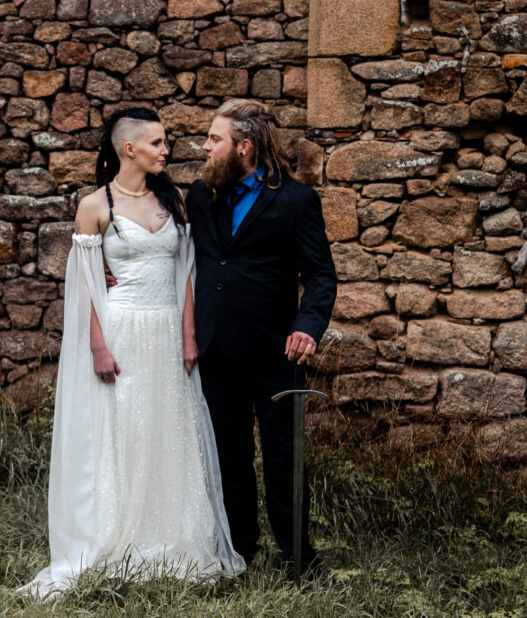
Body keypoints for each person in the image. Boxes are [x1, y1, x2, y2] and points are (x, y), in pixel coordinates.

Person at [23, 108, 244, 597]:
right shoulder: (94, 206)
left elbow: (187, 273)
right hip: (120, 331)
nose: (167, 150)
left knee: (168, 428)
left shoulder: (176, 202)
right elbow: (83, 284)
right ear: (129, 148)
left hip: (166, 330)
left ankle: (172, 539)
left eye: (165, 142)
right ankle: (114, 535)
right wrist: (98, 347)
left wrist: (188, 335)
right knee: (122, 428)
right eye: (158, 143)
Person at [185, 99, 337, 573]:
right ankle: (239, 551)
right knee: (227, 454)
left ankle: (297, 558)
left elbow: (321, 276)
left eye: (214, 139)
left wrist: (306, 327)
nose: (204, 147)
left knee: (283, 458)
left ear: (244, 147)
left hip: (275, 349)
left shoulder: (296, 201)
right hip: (213, 348)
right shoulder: (198, 195)